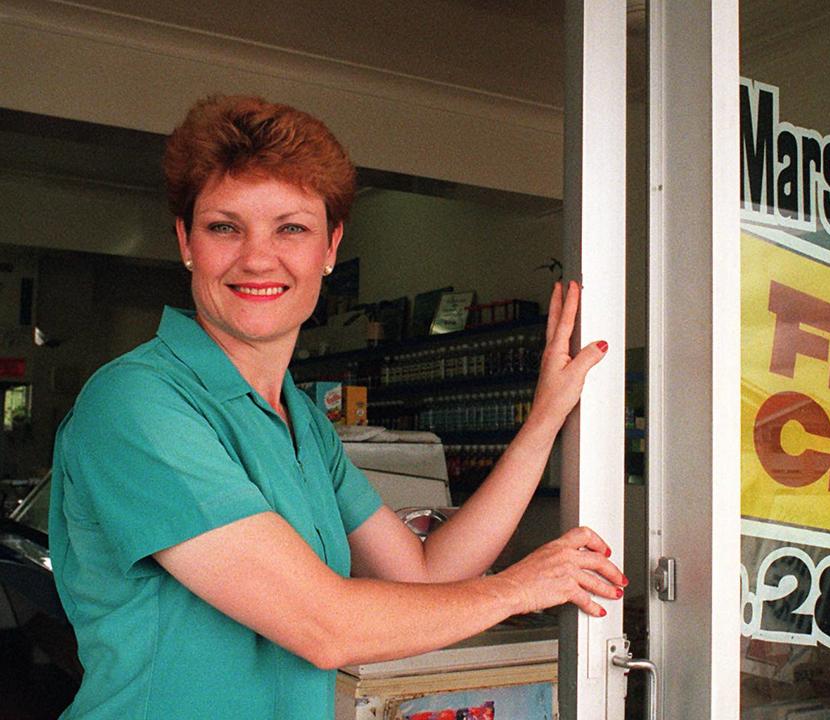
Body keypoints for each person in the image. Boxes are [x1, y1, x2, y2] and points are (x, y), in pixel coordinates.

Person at [48, 95, 624, 719]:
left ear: (330, 247)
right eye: (224, 226)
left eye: (291, 228)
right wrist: (518, 588)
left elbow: (426, 575)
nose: (257, 257)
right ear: (186, 240)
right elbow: (323, 625)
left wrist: (543, 420)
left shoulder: (302, 423)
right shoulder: (138, 402)